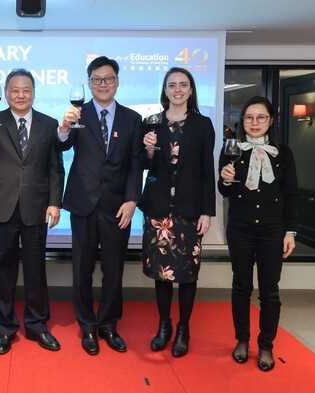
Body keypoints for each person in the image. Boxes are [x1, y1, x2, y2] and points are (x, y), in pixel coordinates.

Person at [0, 69, 65, 355]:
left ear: (34, 92)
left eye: (26, 90)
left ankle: (37, 326)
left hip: (36, 205)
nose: (20, 95)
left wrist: (55, 202)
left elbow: (55, 168)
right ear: (6, 93)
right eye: (15, 90)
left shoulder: (49, 125)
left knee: (36, 269)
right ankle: (5, 328)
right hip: (1, 204)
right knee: (3, 270)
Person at [59, 56, 144, 355]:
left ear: (117, 81)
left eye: (108, 78)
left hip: (117, 206)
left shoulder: (133, 119)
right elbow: (63, 145)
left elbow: (136, 164)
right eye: (96, 79)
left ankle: (108, 324)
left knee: (113, 270)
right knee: (81, 269)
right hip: (83, 203)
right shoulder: (77, 114)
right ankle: (87, 325)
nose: (103, 84)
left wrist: (133, 200)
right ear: (89, 83)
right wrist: (64, 127)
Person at [139, 67, 215, 358]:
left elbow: (207, 171)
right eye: (172, 85)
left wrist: (207, 212)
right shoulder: (152, 122)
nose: (178, 89)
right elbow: (145, 166)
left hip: (189, 211)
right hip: (159, 212)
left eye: (183, 85)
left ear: (191, 90)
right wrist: (148, 151)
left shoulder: (202, 124)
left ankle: (184, 328)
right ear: (165, 90)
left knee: (187, 274)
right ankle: (164, 326)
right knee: (162, 273)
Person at [219, 95, 298, 372]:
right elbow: (225, 191)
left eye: (261, 117)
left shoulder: (283, 153)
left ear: (271, 120)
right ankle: (242, 339)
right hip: (240, 228)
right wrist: (224, 179)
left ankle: (266, 345)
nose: (254, 123)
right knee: (241, 287)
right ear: (242, 121)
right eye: (249, 118)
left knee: (270, 291)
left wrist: (290, 232)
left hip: (273, 231)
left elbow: (291, 195)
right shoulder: (232, 150)